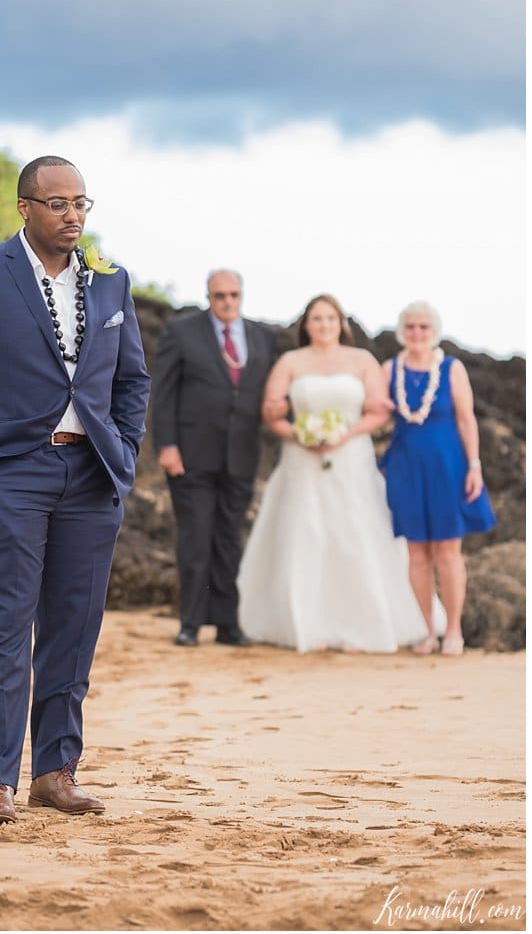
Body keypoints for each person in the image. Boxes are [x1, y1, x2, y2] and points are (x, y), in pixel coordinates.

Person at [0, 156, 150, 824]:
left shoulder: (110, 285)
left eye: (81, 203)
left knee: (73, 630)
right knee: (5, 627)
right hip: (9, 473)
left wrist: (123, 449)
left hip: (91, 477)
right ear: (25, 208)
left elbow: (132, 381)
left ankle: (55, 772)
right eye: (56, 203)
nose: (72, 215)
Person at [238, 294, 429, 653]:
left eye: (330, 318)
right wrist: (301, 434)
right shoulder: (291, 362)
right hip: (301, 459)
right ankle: (309, 625)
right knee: (304, 534)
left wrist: (344, 434)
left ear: (341, 323)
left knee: (353, 535)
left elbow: (378, 411)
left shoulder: (362, 360)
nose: (324, 325)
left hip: (351, 457)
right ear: (306, 325)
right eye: (316, 319)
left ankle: (358, 625)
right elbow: (272, 411)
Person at [151, 269, 278, 647]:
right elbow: (164, 394)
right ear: (209, 296)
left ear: (242, 295)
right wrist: (167, 446)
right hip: (191, 455)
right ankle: (190, 623)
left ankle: (227, 624)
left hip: (241, 455)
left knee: (229, 541)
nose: (227, 302)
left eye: (233, 295)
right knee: (195, 540)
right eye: (219, 295)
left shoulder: (261, 336)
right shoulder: (182, 331)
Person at [380, 301, 496, 656]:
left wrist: (474, 465)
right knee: (416, 551)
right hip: (406, 466)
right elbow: (379, 415)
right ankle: (427, 630)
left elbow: (466, 420)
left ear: (435, 330)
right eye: (411, 326)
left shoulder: (451, 368)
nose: (417, 333)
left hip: (448, 465)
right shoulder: (390, 369)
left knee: (448, 550)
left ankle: (454, 630)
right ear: (402, 330)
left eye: (424, 327)